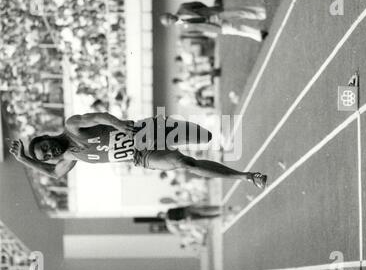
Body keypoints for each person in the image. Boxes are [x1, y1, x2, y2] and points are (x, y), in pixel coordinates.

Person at [9, 112, 267, 188]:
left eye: (46, 148)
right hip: (142, 155)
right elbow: (55, 174)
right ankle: (246, 177)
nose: (51, 153)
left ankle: (215, 122)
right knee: (184, 164)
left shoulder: (72, 126)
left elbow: (100, 116)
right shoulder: (69, 156)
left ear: (46, 137)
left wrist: (120, 125)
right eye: (47, 156)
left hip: (147, 131)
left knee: (205, 135)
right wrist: (24, 160)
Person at [160, 1, 267, 42]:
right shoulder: (182, 29)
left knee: (238, 12)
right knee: (237, 30)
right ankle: (258, 35)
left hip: (215, 14)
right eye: (168, 21)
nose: (170, 19)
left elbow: (198, 4)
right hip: (214, 26)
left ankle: (260, 14)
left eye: (169, 17)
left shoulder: (183, 7)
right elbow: (198, 33)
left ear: (170, 13)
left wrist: (209, 12)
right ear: (169, 25)